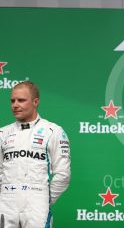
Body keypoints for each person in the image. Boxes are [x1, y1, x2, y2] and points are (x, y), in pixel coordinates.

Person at [0, 81, 71, 228]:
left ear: (35, 102)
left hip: (37, 202)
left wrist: (44, 199)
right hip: (6, 202)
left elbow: (63, 174)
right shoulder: (3, 133)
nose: (15, 105)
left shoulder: (53, 131)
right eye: (12, 101)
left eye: (21, 100)